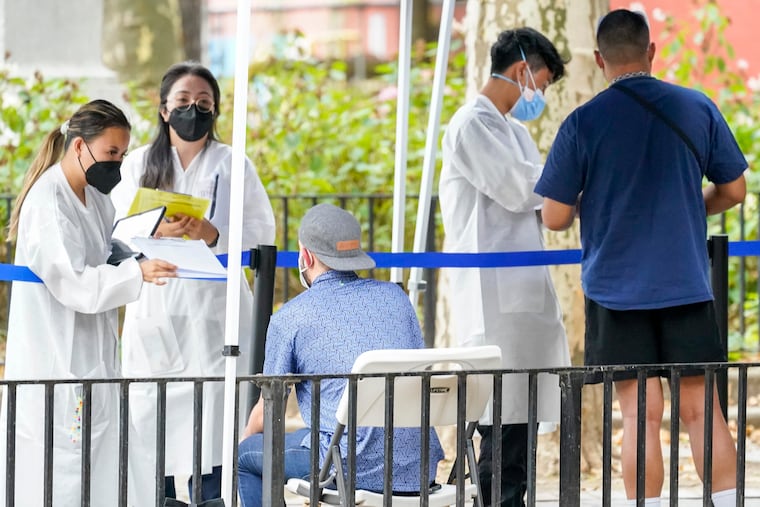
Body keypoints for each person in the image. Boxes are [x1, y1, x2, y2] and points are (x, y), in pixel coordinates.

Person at [535, 9, 747, 507]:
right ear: (651, 52)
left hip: (614, 290)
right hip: (687, 285)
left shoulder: (583, 122)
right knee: (702, 411)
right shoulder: (697, 107)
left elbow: (556, 217)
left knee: (639, 415)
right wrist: (692, 207)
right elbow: (734, 189)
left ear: (598, 59)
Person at [110, 62, 276, 503]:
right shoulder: (139, 163)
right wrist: (153, 229)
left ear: (216, 110)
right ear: (164, 109)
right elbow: (114, 231)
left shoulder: (232, 163)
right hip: (157, 305)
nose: (193, 111)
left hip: (213, 310)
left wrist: (212, 233)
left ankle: (213, 496)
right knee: (154, 418)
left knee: (215, 421)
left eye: (203, 104)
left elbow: (263, 232)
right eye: (183, 102)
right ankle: (159, 495)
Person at [0, 100, 177, 506]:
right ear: (80, 147)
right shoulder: (49, 202)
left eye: (122, 154)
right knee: (60, 470)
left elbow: (103, 248)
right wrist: (137, 273)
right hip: (57, 358)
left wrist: (140, 249)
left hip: (92, 358)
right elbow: (73, 281)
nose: (116, 163)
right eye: (111, 153)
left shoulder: (94, 196)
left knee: (100, 463)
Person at [438, 28, 571, 507]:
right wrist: (573, 175)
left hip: (525, 294)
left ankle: (509, 496)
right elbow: (521, 189)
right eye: (543, 83)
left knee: (522, 416)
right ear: (522, 71)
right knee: (500, 415)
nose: (541, 95)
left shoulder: (515, 131)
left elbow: (545, 204)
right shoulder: (470, 125)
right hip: (491, 296)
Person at [237, 203, 444, 507]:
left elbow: (270, 411)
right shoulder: (396, 298)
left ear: (305, 256)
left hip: (345, 466)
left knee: (245, 458)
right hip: (417, 465)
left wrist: (245, 441)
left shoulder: (291, 316)